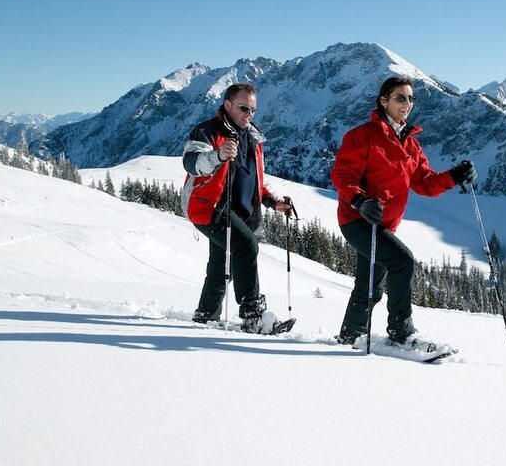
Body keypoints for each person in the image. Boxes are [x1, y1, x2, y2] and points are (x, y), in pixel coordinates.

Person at [330, 76, 477, 347]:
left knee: (369, 286)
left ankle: (350, 336)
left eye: (411, 98)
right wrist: (359, 201)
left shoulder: (410, 144)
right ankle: (401, 333)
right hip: (358, 220)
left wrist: (455, 176)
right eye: (400, 97)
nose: (407, 103)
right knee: (402, 261)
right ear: (384, 101)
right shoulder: (363, 136)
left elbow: (425, 183)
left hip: (383, 224)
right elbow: (342, 175)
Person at [181, 82, 294, 333]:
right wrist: (218, 156)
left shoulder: (252, 136)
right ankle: (253, 314)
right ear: (228, 105)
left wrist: (272, 201)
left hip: (239, 212)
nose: (249, 115)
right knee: (245, 245)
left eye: (253, 110)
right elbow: (191, 163)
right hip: (209, 209)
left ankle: (205, 315)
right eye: (244, 108)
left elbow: (254, 179)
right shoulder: (207, 131)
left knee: (221, 263)